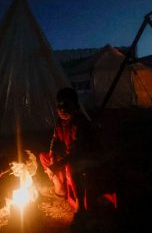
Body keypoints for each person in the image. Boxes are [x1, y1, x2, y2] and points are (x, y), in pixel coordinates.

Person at [40, 87, 101, 226]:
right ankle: (60, 187)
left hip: (88, 157)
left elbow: (76, 152)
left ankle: (80, 204)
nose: (62, 109)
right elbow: (54, 139)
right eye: (59, 105)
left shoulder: (79, 123)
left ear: (74, 105)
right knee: (44, 157)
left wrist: (58, 165)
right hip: (70, 154)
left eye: (66, 105)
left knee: (72, 166)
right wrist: (51, 154)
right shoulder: (60, 121)